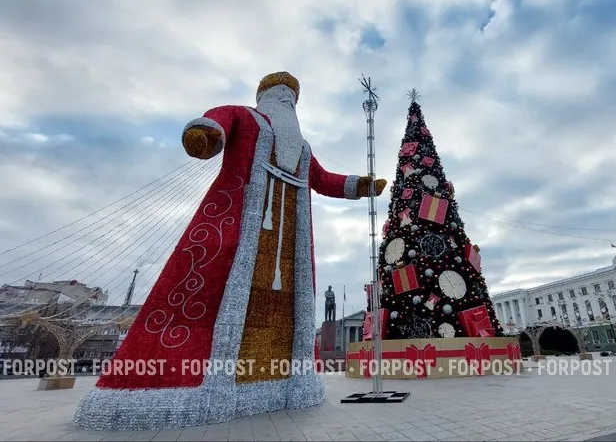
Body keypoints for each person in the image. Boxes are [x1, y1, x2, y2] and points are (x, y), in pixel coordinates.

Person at [74, 71, 387, 430]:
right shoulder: (245, 116)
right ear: (265, 94)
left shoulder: (302, 148)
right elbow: (216, 124)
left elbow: (322, 178)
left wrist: (360, 185)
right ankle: (200, 386)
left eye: (292, 95)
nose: (287, 98)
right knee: (207, 290)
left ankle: (286, 382)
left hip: (291, 240)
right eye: (281, 92)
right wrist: (204, 135)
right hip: (236, 226)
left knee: (288, 310)